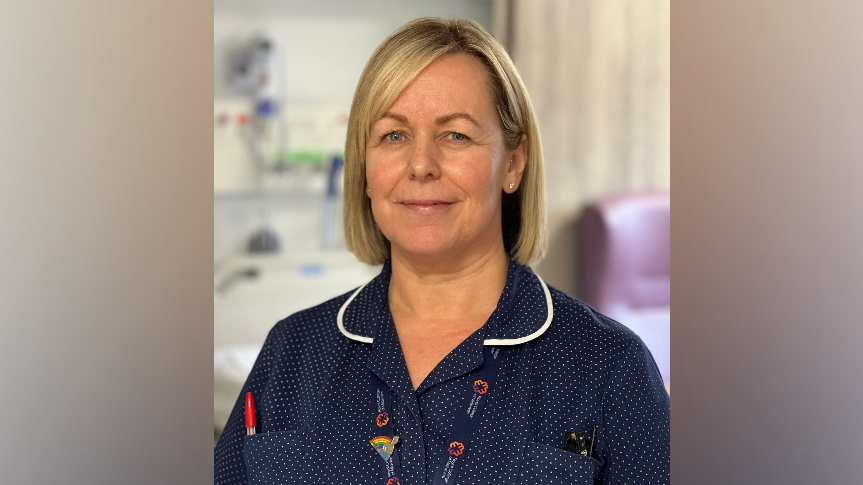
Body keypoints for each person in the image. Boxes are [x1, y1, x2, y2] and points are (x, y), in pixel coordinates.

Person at [215, 17, 669, 485]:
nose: (421, 165)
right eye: (394, 135)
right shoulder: (291, 354)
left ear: (514, 162)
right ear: (365, 168)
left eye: (456, 135)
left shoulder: (609, 367)